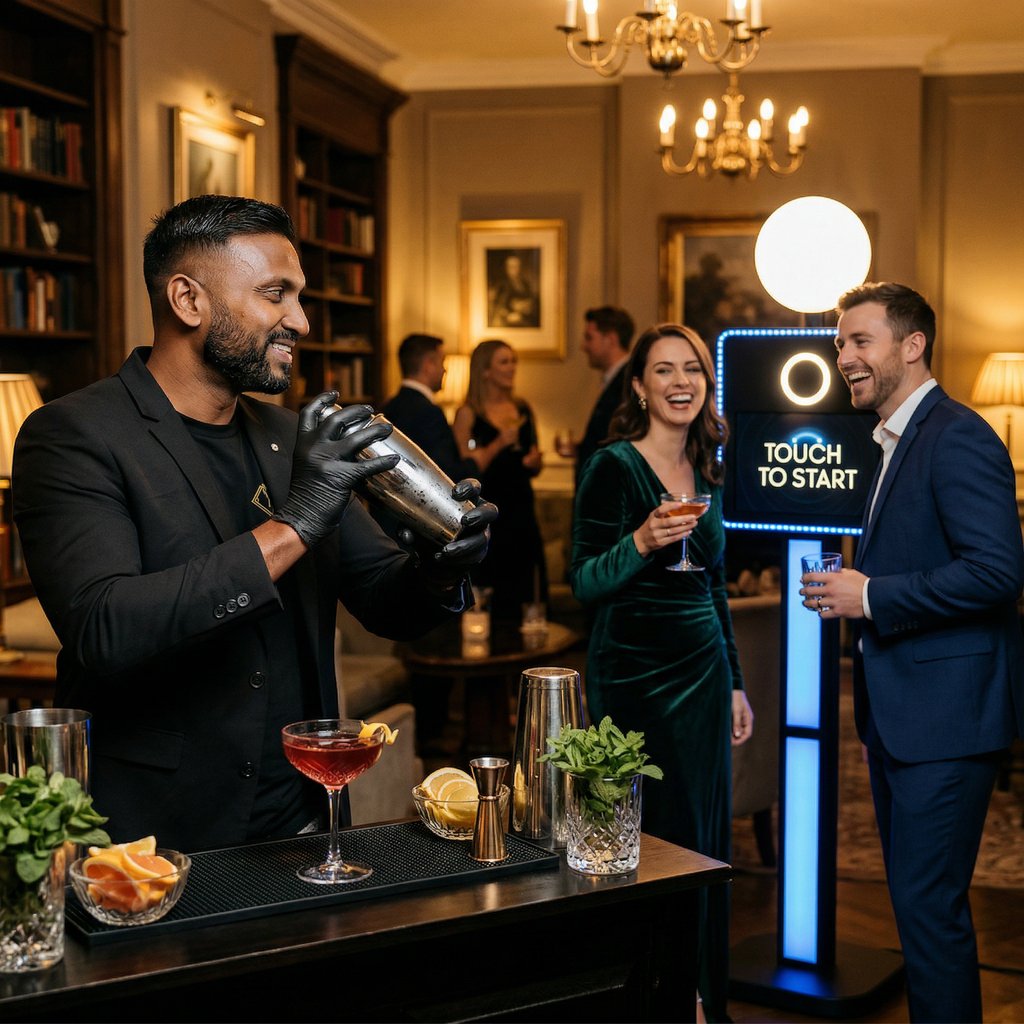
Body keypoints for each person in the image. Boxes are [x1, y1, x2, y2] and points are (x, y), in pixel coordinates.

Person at [12, 195, 496, 854]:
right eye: (275, 295)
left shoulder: (291, 436)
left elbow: (383, 597)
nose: (298, 319)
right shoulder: (74, 435)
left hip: (304, 819)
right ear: (187, 300)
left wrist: (442, 567)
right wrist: (296, 522)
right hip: (156, 835)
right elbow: (106, 626)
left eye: (298, 297)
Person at [800, 282, 1024, 1023]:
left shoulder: (956, 435)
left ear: (912, 344)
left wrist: (870, 597)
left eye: (860, 341)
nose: (844, 357)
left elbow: (998, 573)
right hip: (905, 721)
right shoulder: (897, 440)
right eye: (840, 344)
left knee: (929, 917)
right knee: (921, 913)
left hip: (946, 726)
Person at [570, 323, 753, 1023]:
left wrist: (734, 678)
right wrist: (642, 541)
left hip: (703, 674)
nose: (681, 382)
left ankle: (704, 992)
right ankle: (654, 998)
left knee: (705, 841)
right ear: (640, 386)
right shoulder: (613, 467)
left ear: (707, 386)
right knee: (644, 840)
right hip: (634, 678)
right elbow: (583, 582)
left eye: (694, 371)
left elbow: (714, 587)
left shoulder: (710, 467)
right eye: (665, 371)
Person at [453, 339, 547, 621]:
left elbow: (531, 459)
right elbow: (463, 467)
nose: (512, 368)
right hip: (488, 509)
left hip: (521, 507)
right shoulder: (468, 413)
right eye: (504, 362)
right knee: (491, 582)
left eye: (513, 361)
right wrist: (499, 444)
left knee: (525, 582)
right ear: (485, 371)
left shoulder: (523, 408)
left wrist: (534, 463)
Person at [574, 305, 635, 486]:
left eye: (589, 338)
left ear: (610, 339)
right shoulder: (615, 379)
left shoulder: (628, 382)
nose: (583, 346)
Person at [488, 253, 538, 329]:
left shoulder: (525, 284)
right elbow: (497, 306)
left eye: (517, 266)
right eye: (511, 266)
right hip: (508, 322)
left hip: (525, 318)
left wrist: (526, 306)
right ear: (506, 268)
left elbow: (532, 301)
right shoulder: (501, 284)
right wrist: (508, 315)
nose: (514, 269)